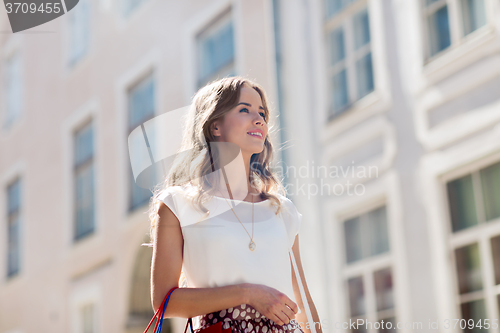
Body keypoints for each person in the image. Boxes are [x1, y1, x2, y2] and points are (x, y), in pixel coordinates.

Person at [144, 76, 322, 333]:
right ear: (215, 126)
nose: (259, 119)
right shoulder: (177, 205)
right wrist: (248, 294)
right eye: (244, 110)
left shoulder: (282, 211)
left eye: (261, 112)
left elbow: (303, 303)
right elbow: (163, 302)